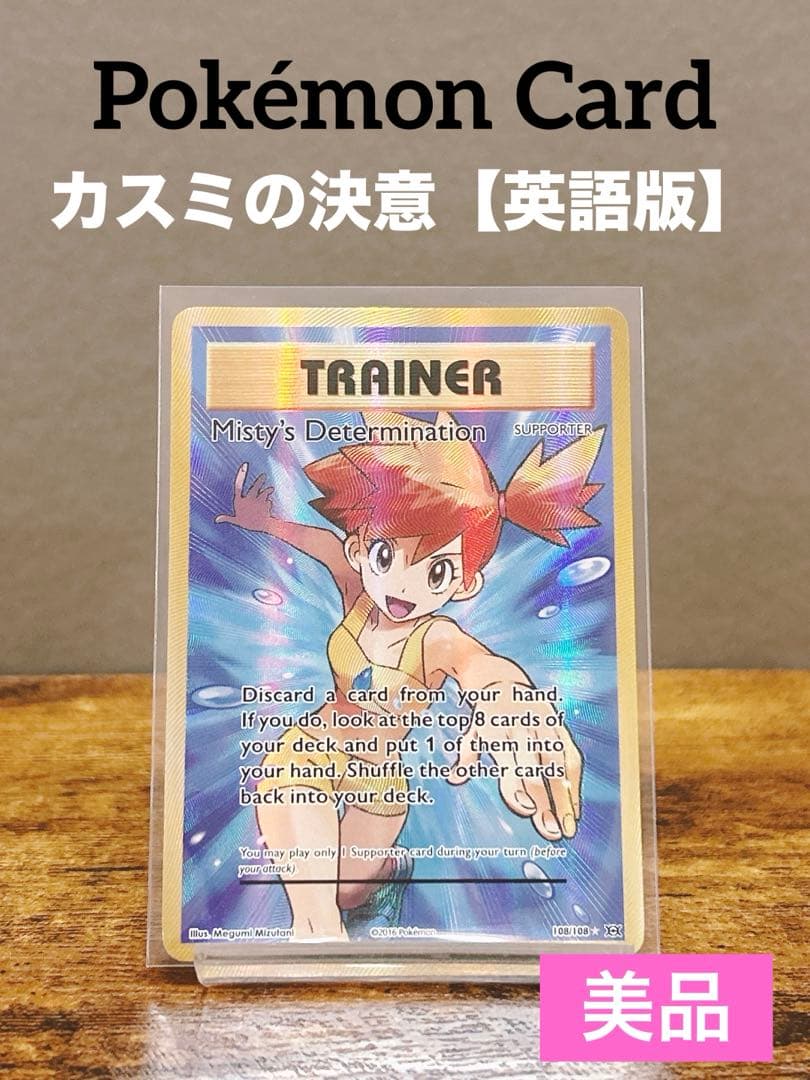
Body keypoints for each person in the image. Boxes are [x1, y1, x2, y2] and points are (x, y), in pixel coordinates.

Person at [216, 412, 604, 939]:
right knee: (316, 904)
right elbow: (326, 545)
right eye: (386, 555)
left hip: (381, 771)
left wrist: (512, 703)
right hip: (313, 749)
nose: (403, 585)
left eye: (436, 570)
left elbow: (481, 666)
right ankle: (318, 934)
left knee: (347, 889)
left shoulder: (435, 638)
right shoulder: (357, 591)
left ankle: (382, 878)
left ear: (465, 584)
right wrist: (269, 525)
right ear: (361, 550)